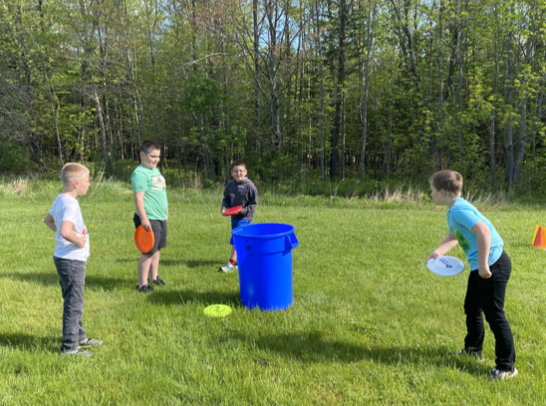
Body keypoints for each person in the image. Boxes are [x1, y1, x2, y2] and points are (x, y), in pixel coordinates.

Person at [427, 170, 516, 380]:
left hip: (492, 264)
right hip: (481, 265)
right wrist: (437, 253)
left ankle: (506, 367)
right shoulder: (454, 210)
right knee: (472, 307)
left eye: (432, 190)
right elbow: (453, 236)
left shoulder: (459, 210)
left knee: (495, 315)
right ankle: (473, 350)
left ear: (442, 191)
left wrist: (484, 265)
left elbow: (483, 231)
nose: (430, 194)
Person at [43, 163, 102, 356]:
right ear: (76, 183)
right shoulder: (70, 204)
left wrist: (65, 234)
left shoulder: (61, 198)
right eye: (87, 181)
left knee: (73, 300)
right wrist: (79, 240)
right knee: (74, 304)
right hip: (72, 261)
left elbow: (48, 220)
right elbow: (65, 230)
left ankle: (80, 337)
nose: (89, 184)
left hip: (64, 259)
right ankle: (69, 347)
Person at [131, 140, 168, 292]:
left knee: (157, 249)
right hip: (149, 218)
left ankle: (154, 277)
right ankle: (142, 284)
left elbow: (161, 193)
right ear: (142, 155)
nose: (156, 160)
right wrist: (144, 218)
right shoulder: (139, 174)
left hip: (160, 217)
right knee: (148, 251)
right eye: (153, 156)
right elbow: (139, 198)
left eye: (158, 156)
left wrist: (166, 212)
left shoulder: (155, 170)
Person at [219, 160, 258, 272]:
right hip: (234, 216)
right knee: (242, 240)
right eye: (235, 171)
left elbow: (253, 204)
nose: (238, 173)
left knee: (236, 238)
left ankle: (230, 264)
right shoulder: (230, 185)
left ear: (245, 172)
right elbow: (226, 199)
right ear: (232, 173)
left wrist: (241, 211)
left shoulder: (250, 186)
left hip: (245, 217)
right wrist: (224, 208)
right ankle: (246, 260)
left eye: (241, 171)